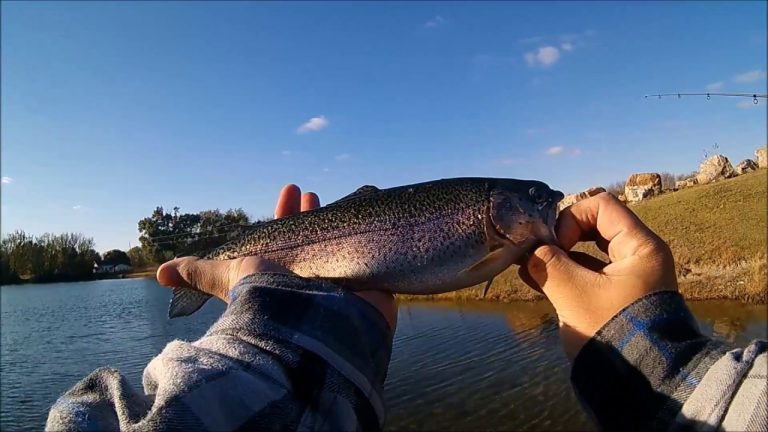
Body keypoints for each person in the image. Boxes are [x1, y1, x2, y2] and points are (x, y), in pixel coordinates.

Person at [47, 185, 766, 431]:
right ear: (502, 208)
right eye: (539, 197)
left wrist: (288, 354)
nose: (550, 207)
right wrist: (663, 363)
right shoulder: (494, 220)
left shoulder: (499, 230)